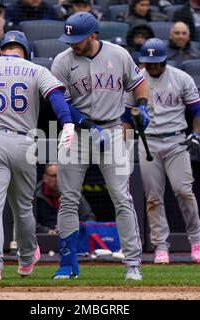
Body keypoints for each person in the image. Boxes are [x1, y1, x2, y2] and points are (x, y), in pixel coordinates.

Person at [0, 31, 75, 281]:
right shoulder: (35, 69)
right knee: (22, 208)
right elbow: (57, 97)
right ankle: (25, 259)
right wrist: (67, 124)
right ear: (25, 51)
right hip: (24, 141)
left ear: (2, 50)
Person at [51, 12, 149, 281]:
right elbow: (59, 102)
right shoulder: (62, 61)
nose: (72, 43)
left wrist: (141, 107)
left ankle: (133, 263)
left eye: (77, 39)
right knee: (68, 199)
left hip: (113, 129)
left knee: (121, 197)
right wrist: (85, 125)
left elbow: (139, 84)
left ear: (93, 35)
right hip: (76, 131)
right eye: (69, 38)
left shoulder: (118, 55)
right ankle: (68, 265)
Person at [122, 38, 200, 265]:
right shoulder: (136, 79)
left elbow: (198, 111)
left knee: (183, 190)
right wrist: (125, 135)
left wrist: (196, 134)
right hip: (148, 141)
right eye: (148, 63)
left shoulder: (181, 78)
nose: (151, 67)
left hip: (176, 140)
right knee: (153, 197)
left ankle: (196, 239)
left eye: (156, 63)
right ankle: (161, 246)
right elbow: (125, 116)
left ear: (164, 60)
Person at [34, 163, 95, 234]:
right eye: (54, 176)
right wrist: (47, 231)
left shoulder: (72, 192)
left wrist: (80, 229)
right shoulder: (35, 195)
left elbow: (89, 217)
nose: (58, 179)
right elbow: (28, 221)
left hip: (71, 236)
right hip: (43, 239)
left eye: (61, 176)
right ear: (45, 178)